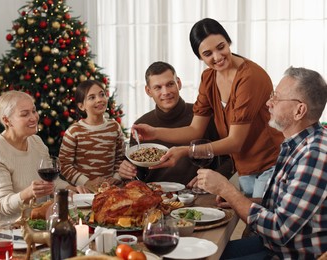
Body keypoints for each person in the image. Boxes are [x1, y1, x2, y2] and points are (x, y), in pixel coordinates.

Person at [133, 18, 284, 197]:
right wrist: (155, 132)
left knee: (263, 222)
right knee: (251, 222)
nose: (217, 57)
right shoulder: (209, 78)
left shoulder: (249, 77)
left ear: (228, 42)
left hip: (270, 164)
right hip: (245, 168)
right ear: (199, 57)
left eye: (221, 47)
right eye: (207, 53)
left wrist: (185, 151)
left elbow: (235, 142)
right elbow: (195, 130)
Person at [193, 67, 327, 259]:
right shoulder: (298, 143)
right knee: (203, 253)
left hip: (290, 254)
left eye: (276, 98)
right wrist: (237, 199)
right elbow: (284, 207)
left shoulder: (313, 155)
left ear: (299, 111)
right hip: (274, 246)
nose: (268, 103)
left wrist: (226, 189)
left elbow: (280, 230)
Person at [0, 90, 81, 226]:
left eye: (34, 111)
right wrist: (28, 193)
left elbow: (50, 183)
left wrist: (71, 188)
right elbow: (3, 205)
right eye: (25, 114)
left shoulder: (36, 142)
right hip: (2, 229)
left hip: (34, 221)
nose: (34, 117)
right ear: (7, 120)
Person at [119, 61, 233, 185]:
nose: (166, 92)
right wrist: (127, 171)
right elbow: (138, 174)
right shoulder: (141, 125)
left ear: (178, 83)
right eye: (158, 87)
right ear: (148, 91)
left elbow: (231, 159)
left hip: (198, 194)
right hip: (156, 197)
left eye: (170, 84)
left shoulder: (204, 117)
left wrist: (214, 176)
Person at [59, 80, 124, 190]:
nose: (99, 100)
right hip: (84, 191)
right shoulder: (74, 131)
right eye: (92, 97)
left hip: (111, 190)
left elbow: (120, 157)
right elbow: (64, 165)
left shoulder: (114, 127)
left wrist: (117, 177)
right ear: (81, 106)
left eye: (102, 94)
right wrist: (86, 182)